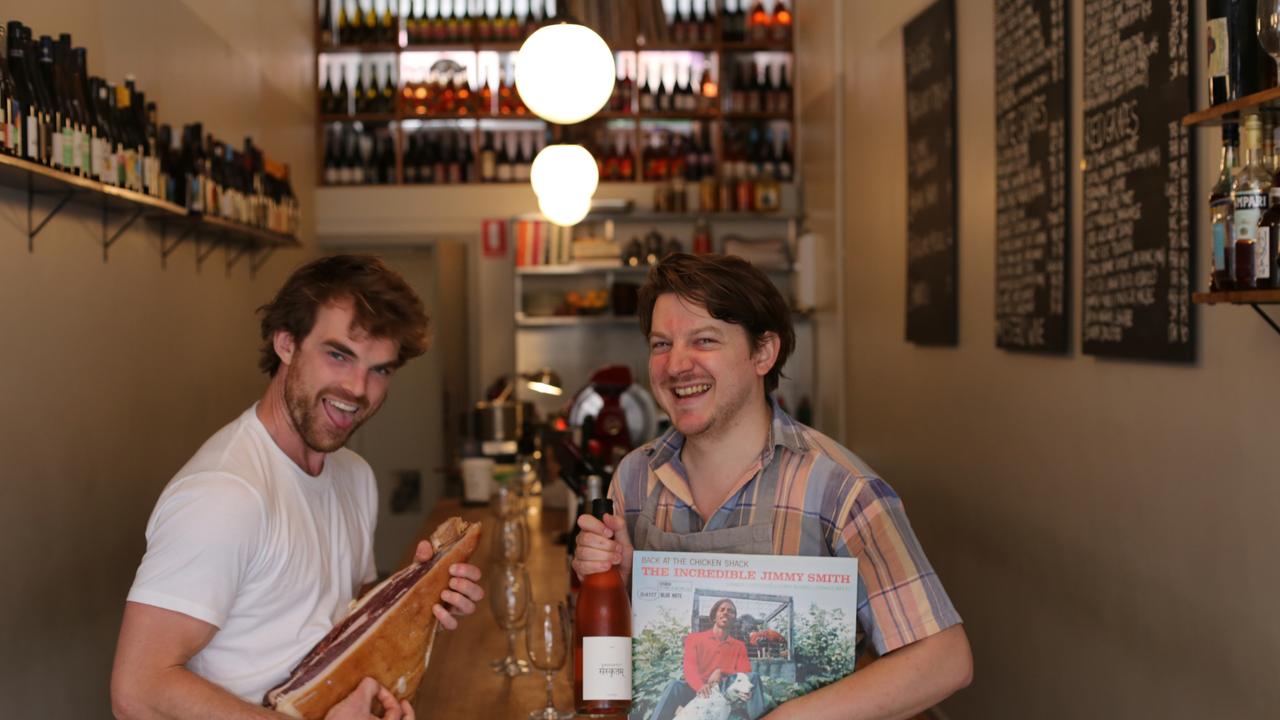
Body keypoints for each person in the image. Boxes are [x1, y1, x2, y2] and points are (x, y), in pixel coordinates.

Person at [572, 253, 973, 720]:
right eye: (661, 344)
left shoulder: (840, 490)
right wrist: (615, 583)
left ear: (763, 352)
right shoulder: (635, 477)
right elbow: (624, 661)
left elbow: (945, 660)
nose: (676, 365)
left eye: (704, 340)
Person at [111, 254, 485, 720]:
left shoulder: (353, 475)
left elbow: (332, 624)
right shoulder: (225, 494)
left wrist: (417, 598)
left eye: (381, 369)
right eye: (338, 355)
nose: (357, 388)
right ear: (286, 343)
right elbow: (138, 690)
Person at [649, 598, 765, 720]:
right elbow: (690, 668)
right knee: (675, 685)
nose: (725, 612)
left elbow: (745, 672)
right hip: (696, 689)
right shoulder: (694, 639)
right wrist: (700, 686)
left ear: (734, 620)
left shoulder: (739, 645)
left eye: (730, 611)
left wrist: (722, 671)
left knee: (754, 677)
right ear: (714, 617)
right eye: (722, 610)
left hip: (723, 691)